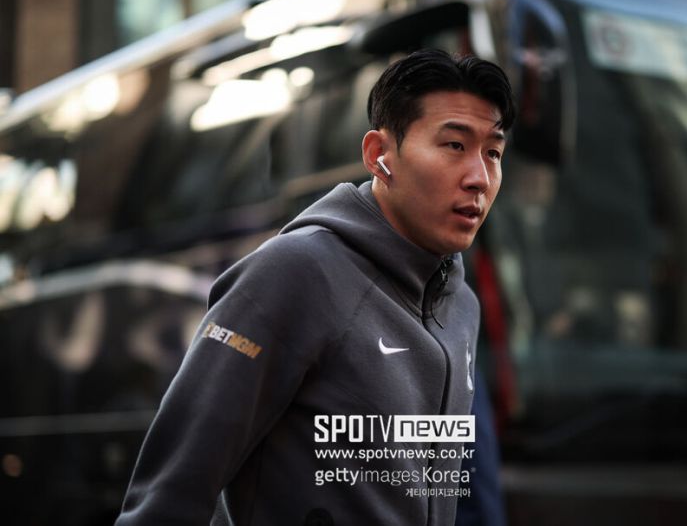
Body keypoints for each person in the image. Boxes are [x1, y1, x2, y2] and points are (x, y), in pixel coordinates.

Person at [116, 48, 514, 526]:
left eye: (493, 153)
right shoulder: (294, 272)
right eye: (454, 145)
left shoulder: (461, 305)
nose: (479, 178)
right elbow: (168, 496)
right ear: (379, 155)